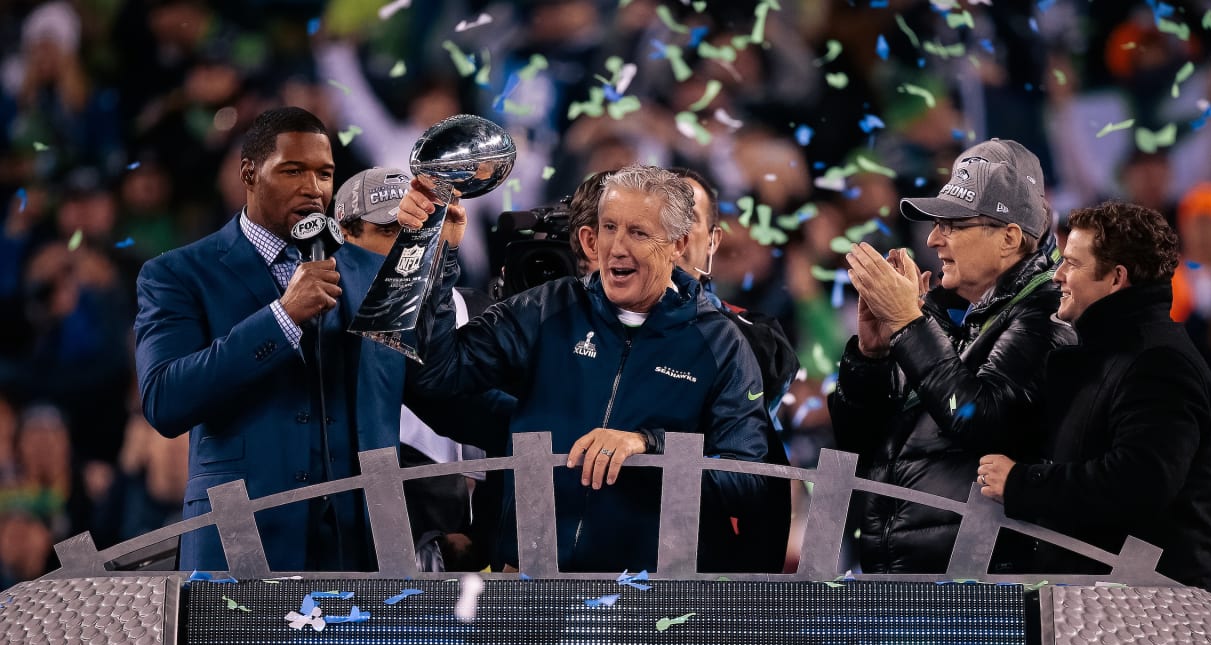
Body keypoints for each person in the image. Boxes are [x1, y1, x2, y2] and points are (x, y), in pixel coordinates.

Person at [398, 163, 772, 573]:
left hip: (650, 604)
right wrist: (439, 255)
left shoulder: (721, 344)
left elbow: (748, 482)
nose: (616, 247)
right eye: (609, 227)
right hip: (533, 588)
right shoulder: (545, 309)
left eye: (638, 232)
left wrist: (649, 446)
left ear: (678, 244)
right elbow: (436, 373)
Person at [134, 107, 455, 572]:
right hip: (240, 545)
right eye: (293, 170)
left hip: (364, 550)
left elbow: (439, 391)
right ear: (249, 173)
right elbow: (165, 400)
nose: (314, 188)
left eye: (325, 174)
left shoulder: (372, 274)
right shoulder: (178, 274)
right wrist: (281, 317)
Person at [829, 138, 1075, 574]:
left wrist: (910, 324)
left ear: (1009, 238)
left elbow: (977, 418)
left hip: (978, 599)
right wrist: (873, 356)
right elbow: (858, 444)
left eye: (953, 224)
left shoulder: (1047, 319)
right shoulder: (960, 324)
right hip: (913, 585)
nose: (933, 238)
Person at [976, 201, 1211, 591]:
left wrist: (1024, 483)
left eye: (1072, 264)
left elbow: (1139, 481)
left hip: (1152, 620)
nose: (1057, 275)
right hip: (1112, 612)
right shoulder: (1110, 353)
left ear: (1115, 278)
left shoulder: (1159, 362)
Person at [331, 166, 506, 571]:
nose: (407, 246)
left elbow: (491, 438)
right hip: (355, 528)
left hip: (455, 534)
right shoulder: (323, 318)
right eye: (390, 232)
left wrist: (480, 535)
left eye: (419, 229)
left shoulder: (476, 310)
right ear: (344, 237)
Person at [671, 166, 798, 572]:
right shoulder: (585, 326)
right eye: (658, 217)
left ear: (713, 241)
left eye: (687, 217)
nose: (672, 233)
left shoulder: (754, 337)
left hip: (710, 559)